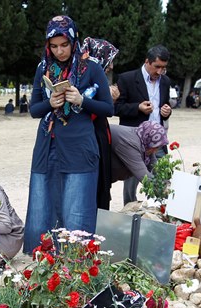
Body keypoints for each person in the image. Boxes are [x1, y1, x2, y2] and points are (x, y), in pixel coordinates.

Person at [23, 15, 113, 254]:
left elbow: (108, 108)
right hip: (46, 147)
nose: (59, 51)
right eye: (54, 46)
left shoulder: (90, 68)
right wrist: (50, 103)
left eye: (64, 45)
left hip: (79, 148)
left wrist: (82, 101)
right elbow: (34, 109)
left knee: (77, 208)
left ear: (74, 41)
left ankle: (76, 263)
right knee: (44, 205)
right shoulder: (43, 68)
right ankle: (45, 263)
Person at [114, 45, 172, 205]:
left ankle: (161, 208)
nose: (160, 72)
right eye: (157, 67)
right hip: (134, 140)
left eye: (164, 68)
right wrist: (137, 107)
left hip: (158, 140)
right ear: (147, 62)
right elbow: (115, 108)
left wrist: (166, 111)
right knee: (133, 179)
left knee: (163, 173)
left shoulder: (165, 81)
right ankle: (129, 209)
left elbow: (164, 105)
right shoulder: (127, 78)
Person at [81, 37, 119, 210]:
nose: (111, 66)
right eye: (109, 61)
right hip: (92, 141)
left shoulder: (98, 81)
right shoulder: (85, 82)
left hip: (101, 138)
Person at [109, 121, 168, 185]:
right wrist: (163, 188)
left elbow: (154, 166)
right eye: (155, 147)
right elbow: (143, 176)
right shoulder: (130, 143)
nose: (155, 151)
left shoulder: (144, 139)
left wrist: (165, 180)